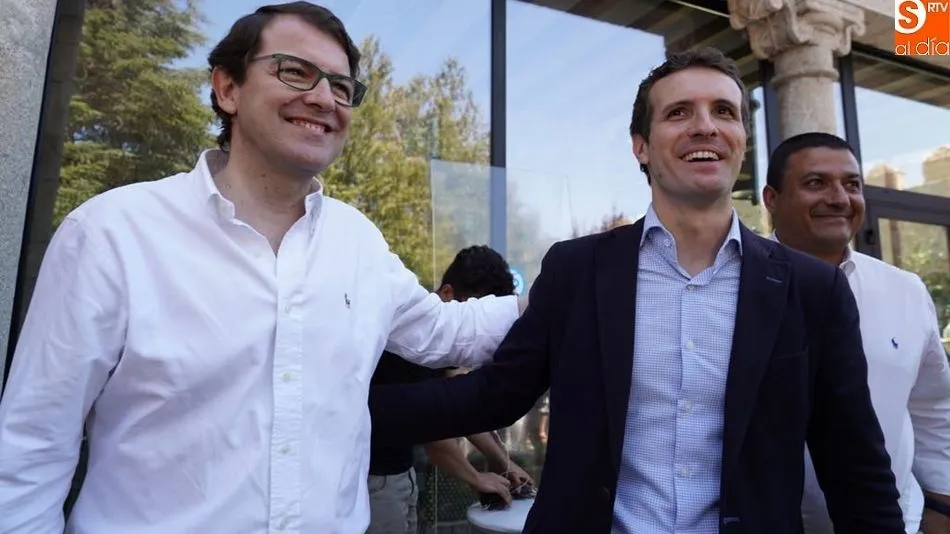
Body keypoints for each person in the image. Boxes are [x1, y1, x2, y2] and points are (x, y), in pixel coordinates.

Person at [0, 3, 524, 533]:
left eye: (342, 87)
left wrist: (559, 287)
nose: (324, 98)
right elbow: (28, 454)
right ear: (227, 88)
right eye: (294, 71)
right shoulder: (111, 233)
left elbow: (447, 331)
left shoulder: (357, 242)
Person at [368, 47, 904, 533]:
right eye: (679, 113)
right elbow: (493, 395)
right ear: (641, 147)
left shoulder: (812, 289)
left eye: (723, 111)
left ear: (742, 139)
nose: (705, 127)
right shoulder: (578, 270)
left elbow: (855, 465)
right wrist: (343, 403)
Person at [762, 132, 950, 534]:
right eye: (816, 183)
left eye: (851, 184)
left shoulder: (905, 290)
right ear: (771, 199)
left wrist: (942, 503)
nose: (839, 198)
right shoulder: (735, 287)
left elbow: (933, 405)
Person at [367, 245, 534, 534]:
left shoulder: (434, 350)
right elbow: (435, 434)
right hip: (376, 479)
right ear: (446, 294)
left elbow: (460, 411)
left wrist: (503, 461)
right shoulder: (409, 345)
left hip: (400, 472)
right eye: (468, 314)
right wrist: (476, 478)